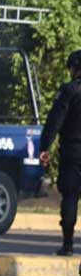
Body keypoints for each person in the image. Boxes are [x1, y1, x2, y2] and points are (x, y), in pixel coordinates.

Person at [38, 49, 81, 255]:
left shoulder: (69, 91)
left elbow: (55, 121)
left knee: (71, 197)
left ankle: (68, 245)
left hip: (73, 152)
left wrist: (45, 147)